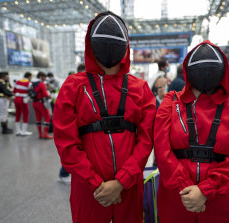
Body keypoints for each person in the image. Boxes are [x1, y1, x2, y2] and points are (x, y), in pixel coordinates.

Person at [53, 11, 156, 223]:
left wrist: (122, 181)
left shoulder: (141, 89)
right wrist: (96, 183)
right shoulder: (73, 87)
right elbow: (67, 144)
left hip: (129, 188)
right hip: (89, 190)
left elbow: (146, 140)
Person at [154, 41, 229, 223]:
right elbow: (162, 152)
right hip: (177, 198)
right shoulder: (170, 103)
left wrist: (205, 191)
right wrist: (188, 191)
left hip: (223, 202)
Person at [57, 63, 87, 184]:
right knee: (72, 151)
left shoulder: (79, 85)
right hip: (74, 127)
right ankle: (63, 174)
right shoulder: (73, 85)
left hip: (80, 126)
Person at [32, 71, 53, 139]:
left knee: (38, 118)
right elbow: (45, 94)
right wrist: (49, 96)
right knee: (47, 118)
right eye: (44, 77)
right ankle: (45, 134)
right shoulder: (41, 84)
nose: (45, 78)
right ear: (40, 76)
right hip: (41, 103)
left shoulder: (32, 84)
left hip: (34, 103)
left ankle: (40, 134)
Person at [13, 72, 33, 136]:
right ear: (29, 76)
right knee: (25, 114)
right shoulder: (29, 83)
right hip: (23, 99)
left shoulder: (17, 82)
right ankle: (24, 131)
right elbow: (31, 92)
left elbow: (14, 91)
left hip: (16, 99)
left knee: (17, 114)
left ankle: (17, 131)